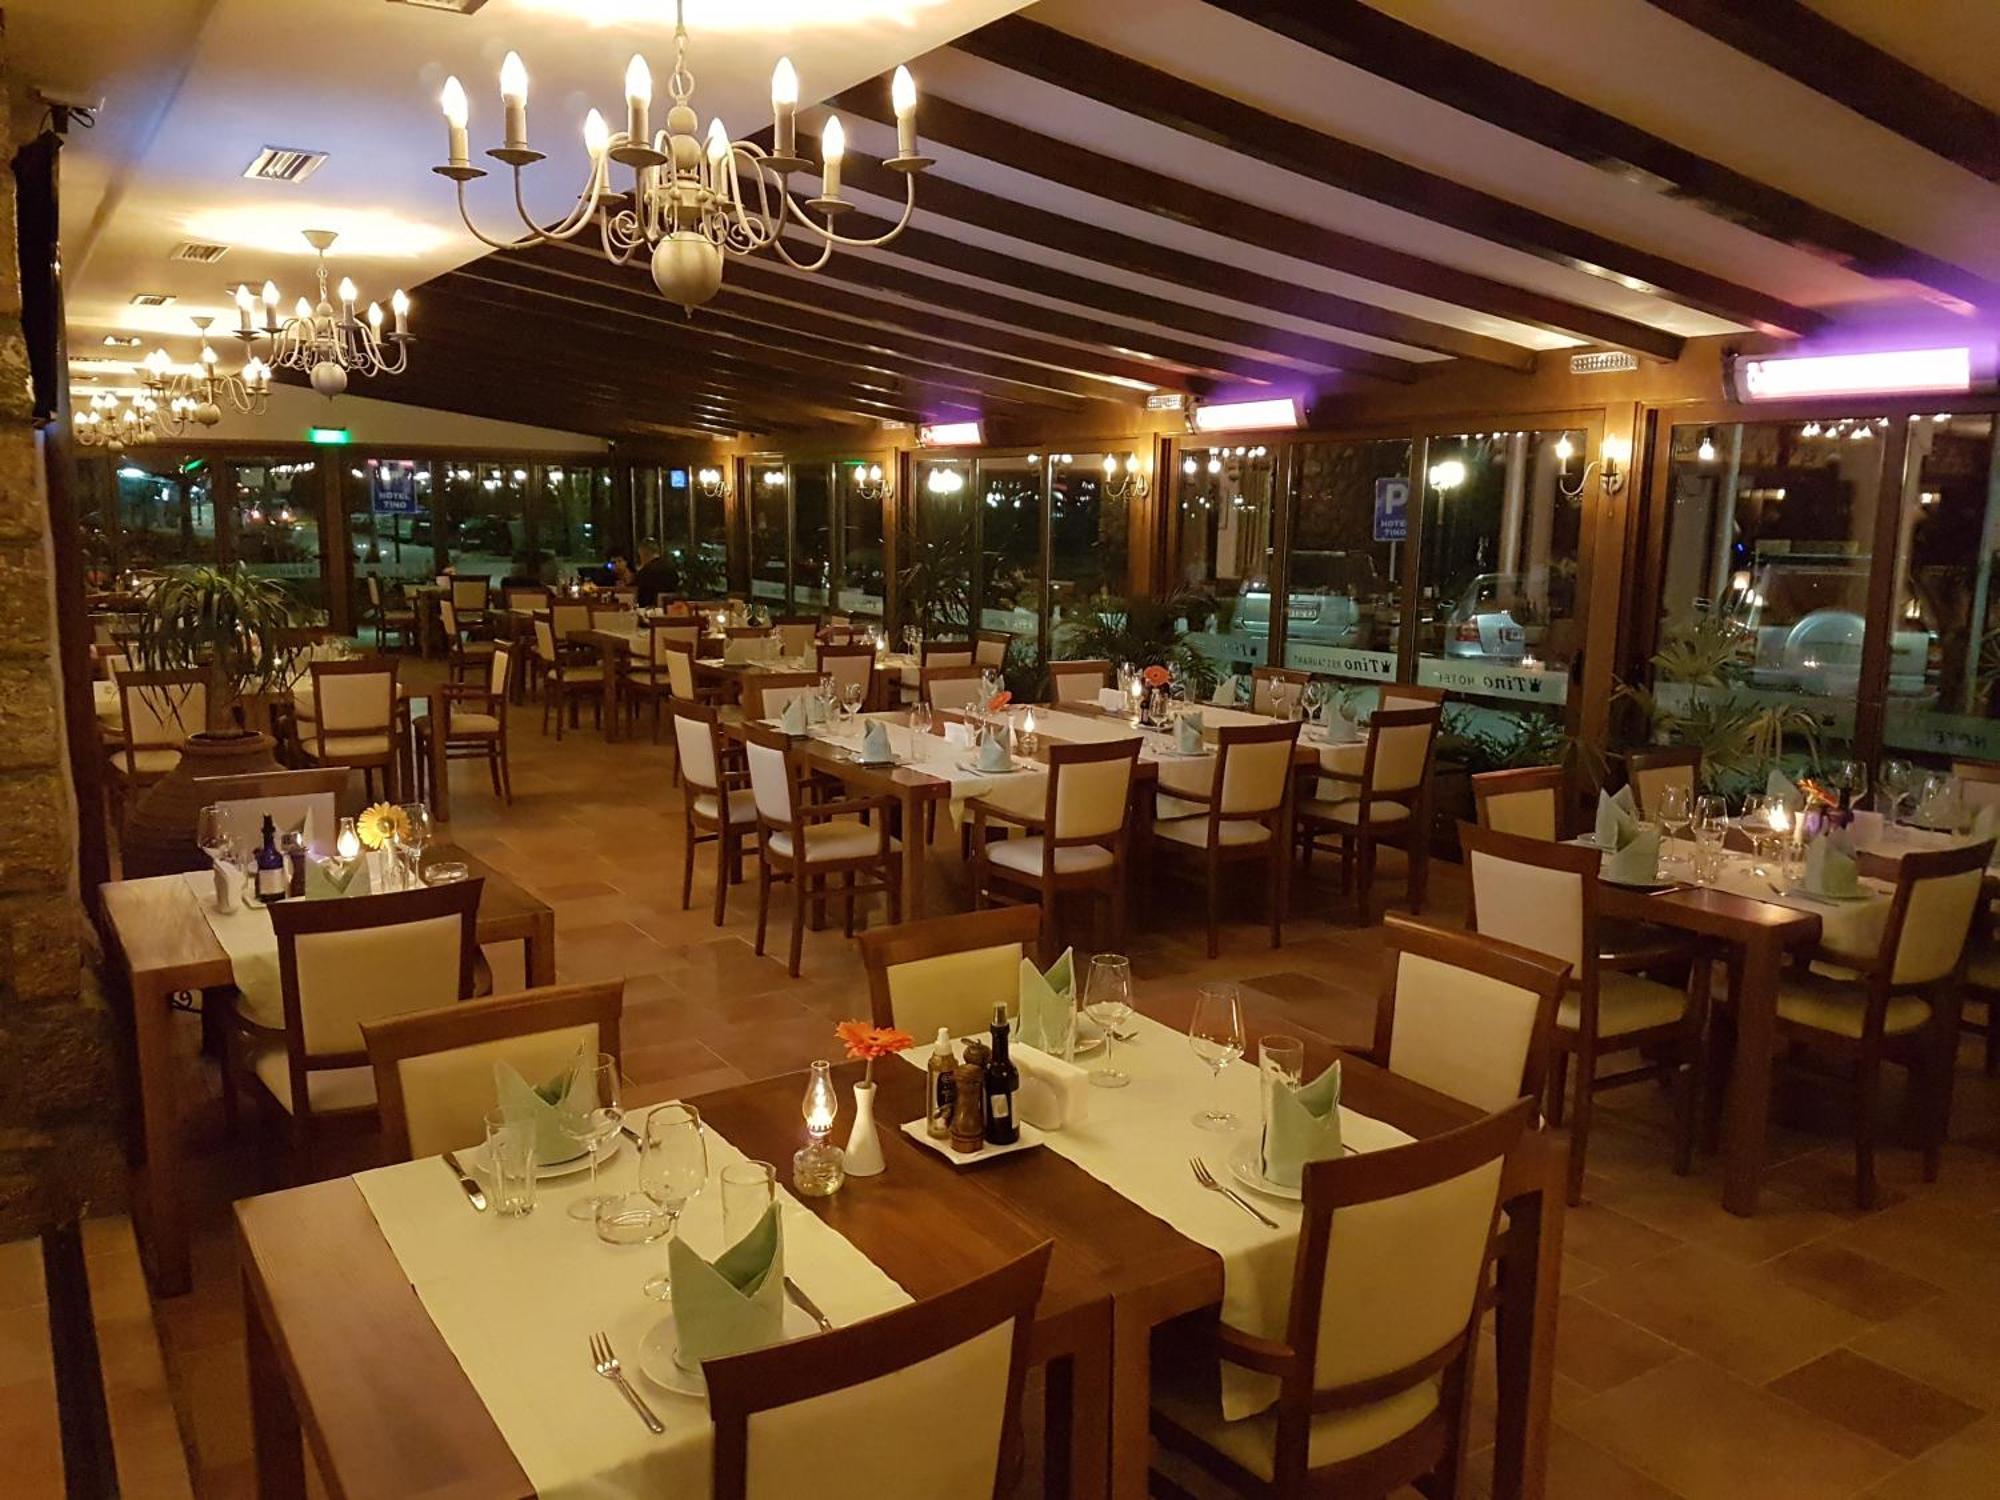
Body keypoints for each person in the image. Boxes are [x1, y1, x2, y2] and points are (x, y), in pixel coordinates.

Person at [632, 543, 682, 607]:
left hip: (651, 608)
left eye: (640, 556)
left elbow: (640, 595)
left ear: (645, 554)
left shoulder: (645, 571)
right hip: (672, 607)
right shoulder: (671, 567)